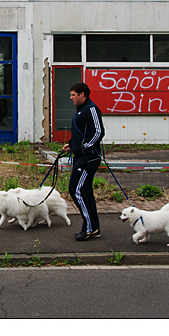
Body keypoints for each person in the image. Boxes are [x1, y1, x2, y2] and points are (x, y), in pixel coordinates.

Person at [62, 82, 104, 241]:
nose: (71, 97)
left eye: (73, 94)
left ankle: (89, 228)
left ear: (82, 95)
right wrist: (72, 144)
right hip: (82, 155)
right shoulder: (81, 110)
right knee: (85, 192)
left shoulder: (91, 109)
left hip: (89, 157)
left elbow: (98, 132)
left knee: (76, 190)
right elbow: (84, 133)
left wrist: (83, 147)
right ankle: (94, 228)